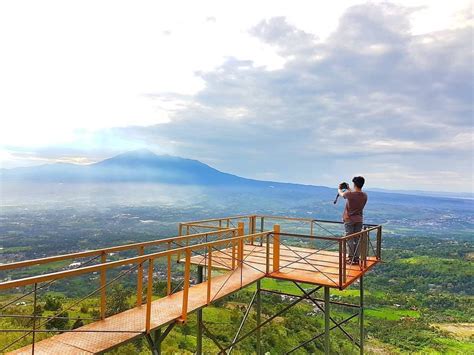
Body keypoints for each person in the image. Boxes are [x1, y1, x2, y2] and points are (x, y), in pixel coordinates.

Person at [338, 176, 367, 264]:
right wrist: (349, 188)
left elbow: (342, 194)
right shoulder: (364, 195)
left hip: (349, 219)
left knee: (349, 239)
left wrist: (339, 189)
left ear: (354, 184)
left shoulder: (350, 194)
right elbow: (354, 195)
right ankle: (356, 258)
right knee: (357, 239)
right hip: (359, 220)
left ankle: (351, 258)